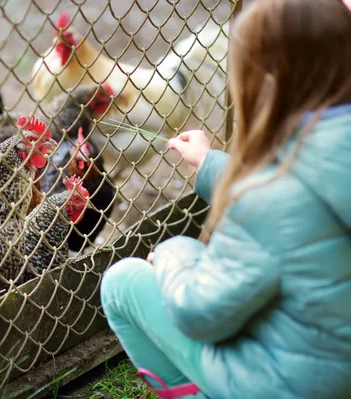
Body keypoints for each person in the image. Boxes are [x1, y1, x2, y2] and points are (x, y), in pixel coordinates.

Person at [100, 0, 351, 398]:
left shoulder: (265, 198)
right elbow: (305, 192)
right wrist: (209, 164)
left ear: (266, 82)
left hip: (288, 385)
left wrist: (173, 253)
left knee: (122, 283)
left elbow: (199, 313)